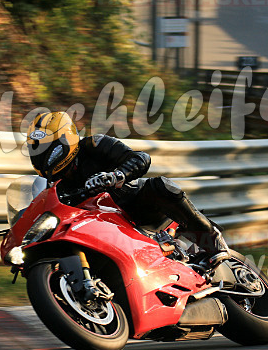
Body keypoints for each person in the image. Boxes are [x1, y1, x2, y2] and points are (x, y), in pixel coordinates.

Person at [25, 111, 230, 269]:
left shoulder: (94, 145)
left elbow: (140, 158)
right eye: (38, 150)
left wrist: (117, 175)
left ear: (65, 139)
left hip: (132, 205)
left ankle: (211, 238)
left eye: (48, 149)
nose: (44, 156)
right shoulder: (49, 186)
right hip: (97, 226)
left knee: (160, 186)